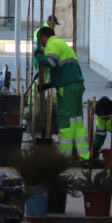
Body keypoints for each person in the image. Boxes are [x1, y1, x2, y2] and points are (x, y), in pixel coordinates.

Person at [33, 25, 86, 159]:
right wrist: (48, 85)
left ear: (44, 37)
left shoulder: (52, 44)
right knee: (77, 122)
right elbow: (64, 71)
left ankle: (64, 157)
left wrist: (39, 56)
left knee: (66, 121)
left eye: (41, 41)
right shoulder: (62, 44)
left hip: (67, 88)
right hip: (76, 85)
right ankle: (84, 156)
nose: (41, 44)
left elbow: (51, 62)